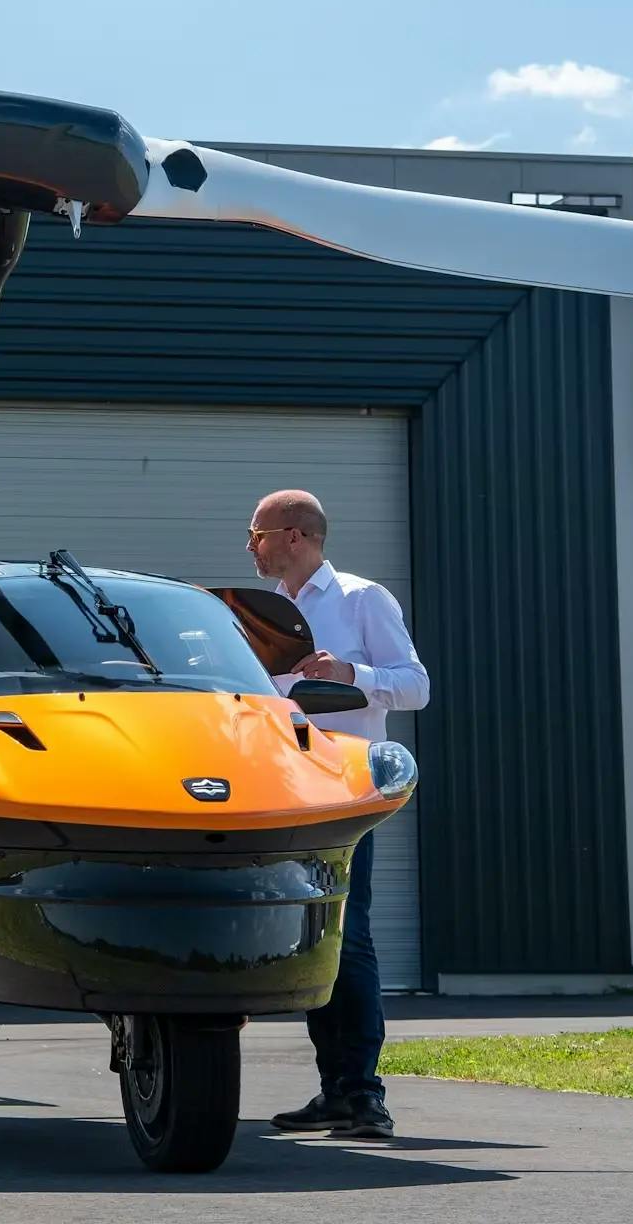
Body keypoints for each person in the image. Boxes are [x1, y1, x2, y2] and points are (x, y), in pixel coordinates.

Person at [246, 488, 429, 1139]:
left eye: (258, 533)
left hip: (346, 790)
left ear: (295, 535)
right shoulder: (266, 613)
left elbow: (416, 685)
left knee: (348, 934)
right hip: (284, 787)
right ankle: (333, 1090)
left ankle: (364, 1094)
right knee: (311, 935)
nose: (251, 546)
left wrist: (351, 671)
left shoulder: (360, 598)